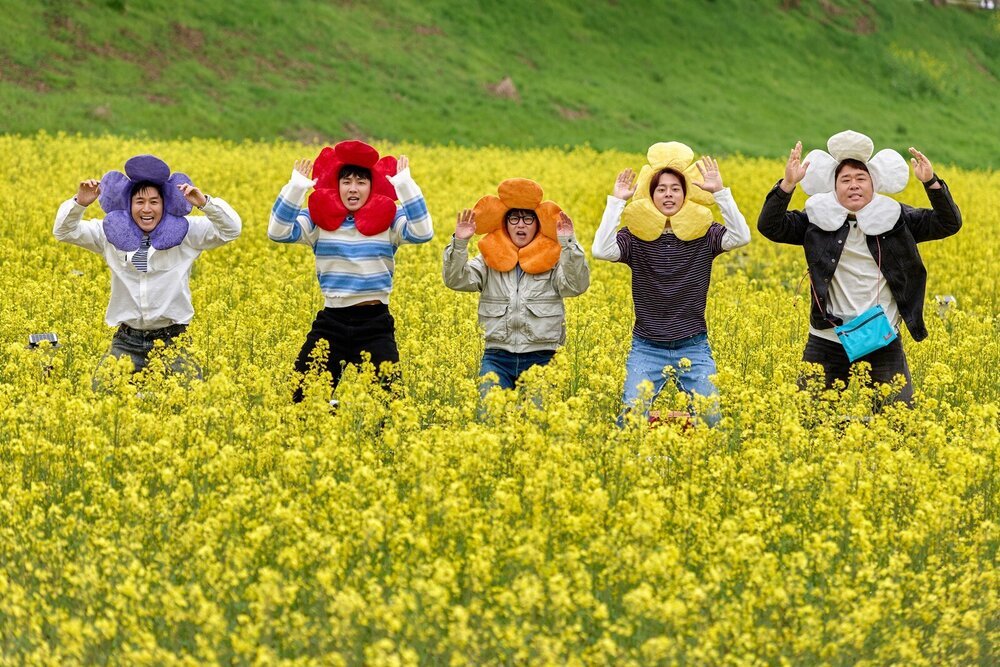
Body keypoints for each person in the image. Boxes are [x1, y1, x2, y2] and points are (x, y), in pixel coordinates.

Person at [757, 130, 962, 406]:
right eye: (845, 180)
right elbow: (770, 226)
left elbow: (948, 223)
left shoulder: (897, 220)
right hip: (828, 337)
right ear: (833, 188)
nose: (853, 185)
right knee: (810, 419)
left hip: (882, 337)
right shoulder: (816, 223)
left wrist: (931, 183)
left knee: (896, 421)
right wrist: (787, 185)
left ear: (874, 184)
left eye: (860, 178)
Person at [592, 143, 751, 426]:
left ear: (685, 194)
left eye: (675, 188)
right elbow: (602, 250)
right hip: (646, 345)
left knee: (710, 417)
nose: (668, 194)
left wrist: (720, 193)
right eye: (661, 189)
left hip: (693, 343)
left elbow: (740, 237)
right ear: (651, 195)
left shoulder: (704, 234)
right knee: (631, 419)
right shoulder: (636, 237)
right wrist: (616, 202)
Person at [268, 140, 433, 403]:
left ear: (372, 186)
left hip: (375, 323)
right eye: (346, 181)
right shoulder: (319, 219)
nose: (353, 188)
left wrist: (404, 185)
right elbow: (278, 232)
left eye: (361, 182)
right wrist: (296, 188)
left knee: (389, 405)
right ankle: (332, 416)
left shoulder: (388, 218)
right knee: (301, 399)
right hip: (332, 321)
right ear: (337, 185)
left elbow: (423, 233)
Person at [54, 154, 241, 378]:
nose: (146, 209)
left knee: (189, 403)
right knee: (102, 394)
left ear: (164, 204)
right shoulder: (109, 233)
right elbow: (64, 231)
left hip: (174, 340)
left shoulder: (187, 232)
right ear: (129, 205)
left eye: (154, 202)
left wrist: (205, 203)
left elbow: (231, 230)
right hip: (126, 341)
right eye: (139, 202)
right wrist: (79, 203)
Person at [442, 178, 589, 394]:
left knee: (538, 423)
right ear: (505, 224)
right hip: (497, 357)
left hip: (544, 356)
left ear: (538, 224)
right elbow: (456, 280)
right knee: (490, 416)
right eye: (514, 218)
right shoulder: (489, 261)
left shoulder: (553, 261)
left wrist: (568, 244)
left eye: (528, 219)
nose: (521, 224)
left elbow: (576, 286)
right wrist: (460, 243)